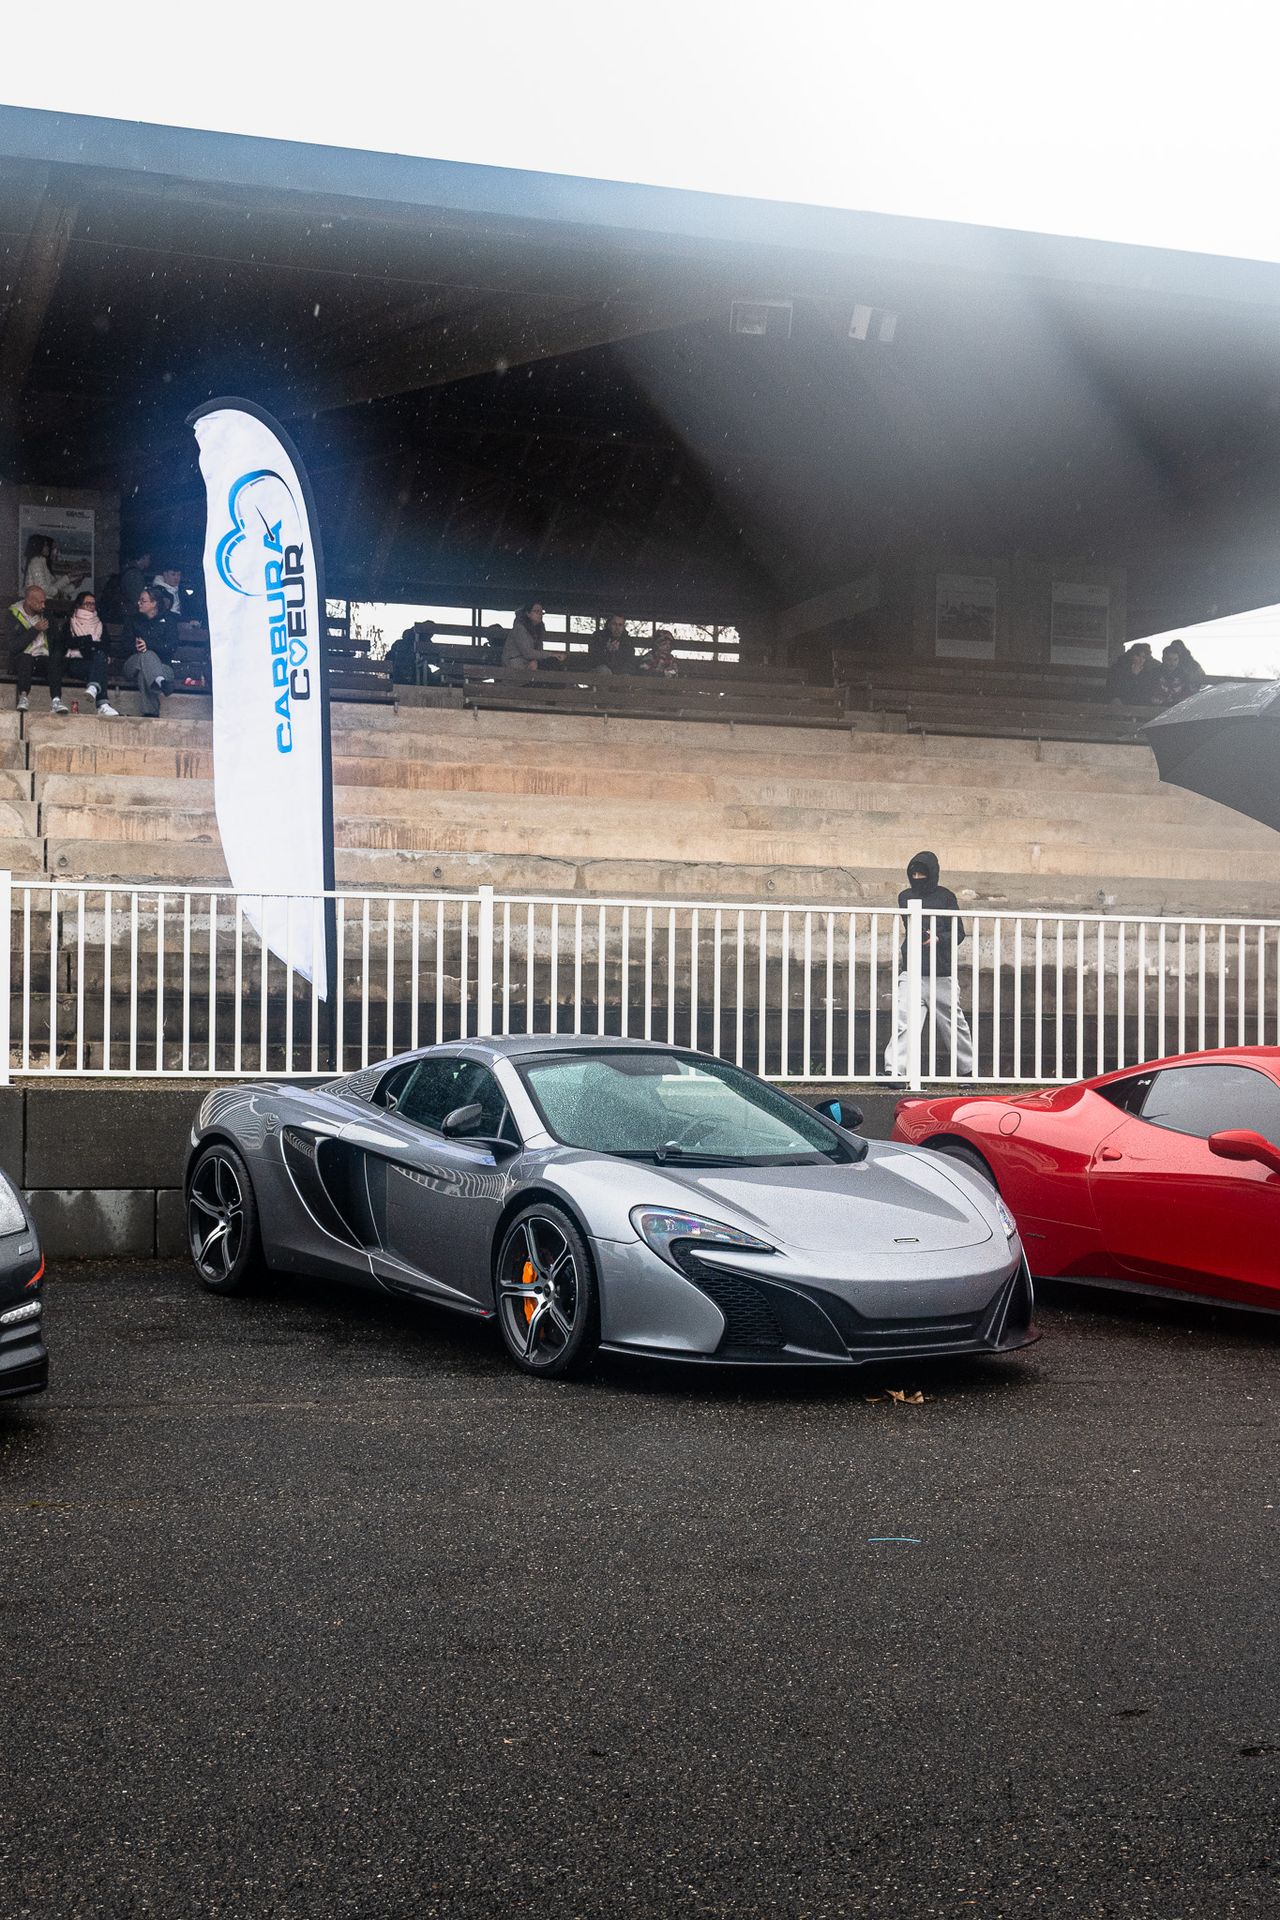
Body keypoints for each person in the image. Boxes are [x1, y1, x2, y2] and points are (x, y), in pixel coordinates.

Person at [883, 852, 974, 1081]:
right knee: (904, 1021)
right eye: (913, 874)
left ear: (932, 873)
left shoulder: (946, 897)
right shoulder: (905, 896)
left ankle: (967, 1071)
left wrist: (938, 937)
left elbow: (958, 932)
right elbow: (913, 924)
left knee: (954, 1024)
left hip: (940, 972)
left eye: (921, 874)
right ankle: (894, 1070)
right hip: (912, 969)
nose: (917, 878)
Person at [7, 583, 71, 712]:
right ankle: (23, 698)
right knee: (25, 658)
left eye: (44, 602)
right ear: (29, 601)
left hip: (42, 659)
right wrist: (35, 630)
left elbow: (57, 640)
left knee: (54, 661)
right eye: (40, 602)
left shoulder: (46, 615)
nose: (43, 606)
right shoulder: (13, 615)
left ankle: (56, 701)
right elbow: (13, 647)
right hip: (21, 661)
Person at [65, 591, 119, 717]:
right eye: (87, 603)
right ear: (79, 605)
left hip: (95, 662)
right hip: (76, 663)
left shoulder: (100, 624)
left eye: (93, 604)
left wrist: (85, 644)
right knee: (100, 664)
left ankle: (93, 688)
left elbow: (106, 646)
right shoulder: (71, 623)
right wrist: (89, 641)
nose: (91, 606)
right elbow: (67, 643)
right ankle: (102, 704)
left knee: (100, 658)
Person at [122, 587, 174, 715]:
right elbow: (124, 645)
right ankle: (160, 681)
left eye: (143, 601)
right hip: (133, 665)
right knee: (147, 655)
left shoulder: (168, 621)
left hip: (163, 667)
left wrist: (149, 645)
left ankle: (150, 714)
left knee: (144, 674)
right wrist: (136, 646)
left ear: (154, 603)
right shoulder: (133, 620)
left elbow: (171, 647)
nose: (139, 603)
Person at [23, 534, 84, 601]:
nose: (48, 548)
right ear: (39, 547)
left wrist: (69, 579)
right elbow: (43, 589)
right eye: (45, 545)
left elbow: (51, 588)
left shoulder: (42, 562)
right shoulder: (36, 562)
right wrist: (60, 591)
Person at [1161, 637, 1207, 703]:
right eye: (1169, 659)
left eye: (1175, 659)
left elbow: (1202, 679)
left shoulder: (1190, 666)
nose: (1172, 663)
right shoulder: (1157, 672)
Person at [503, 602, 546, 670]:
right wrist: (551, 654)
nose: (540, 614)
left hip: (527, 662)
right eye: (536, 611)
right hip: (514, 663)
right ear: (528, 613)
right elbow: (528, 653)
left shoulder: (538, 630)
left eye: (541, 612)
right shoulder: (520, 628)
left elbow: (539, 650)